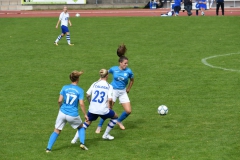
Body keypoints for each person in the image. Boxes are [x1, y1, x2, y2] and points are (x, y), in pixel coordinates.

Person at [71, 69, 119, 144]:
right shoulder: (109, 86)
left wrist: (91, 103)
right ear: (107, 76)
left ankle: (74, 140)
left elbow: (87, 95)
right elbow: (110, 99)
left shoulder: (95, 83)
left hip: (92, 109)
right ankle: (105, 135)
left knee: (86, 123)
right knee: (115, 117)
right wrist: (110, 106)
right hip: (103, 109)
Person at [46, 71, 88, 152]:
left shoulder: (64, 87)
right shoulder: (80, 90)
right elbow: (82, 104)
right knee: (81, 127)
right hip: (72, 114)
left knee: (57, 130)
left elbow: (59, 100)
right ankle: (82, 143)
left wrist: (60, 108)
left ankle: (48, 149)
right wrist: (85, 114)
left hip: (62, 112)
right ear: (78, 79)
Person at [95, 44, 134, 133]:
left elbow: (132, 80)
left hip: (123, 92)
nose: (126, 65)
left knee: (128, 111)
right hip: (113, 91)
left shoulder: (129, 71)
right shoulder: (113, 69)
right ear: (120, 63)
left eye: (127, 63)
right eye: (125, 63)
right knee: (108, 109)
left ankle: (118, 121)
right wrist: (97, 84)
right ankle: (99, 126)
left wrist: (128, 89)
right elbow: (104, 74)